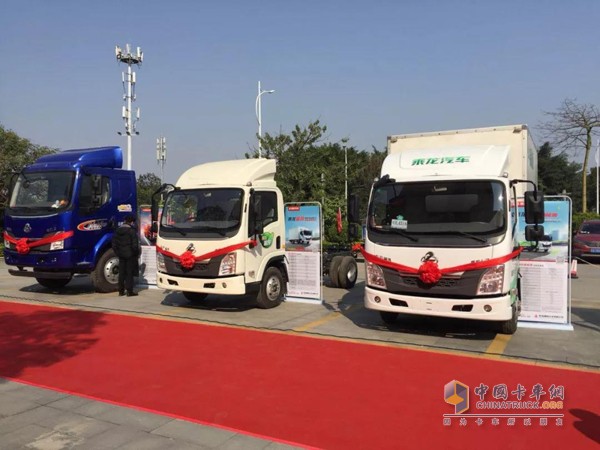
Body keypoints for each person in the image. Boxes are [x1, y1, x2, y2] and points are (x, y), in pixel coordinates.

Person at [112, 215, 140, 297]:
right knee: (129, 273)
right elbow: (135, 245)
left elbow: (114, 244)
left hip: (121, 255)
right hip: (130, 255)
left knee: (121, 273)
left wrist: (118, 252)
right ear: (131, 222)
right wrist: (135, 253)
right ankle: (129, 291)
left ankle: (120, 291)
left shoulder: (118, 230)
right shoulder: (132, 231)